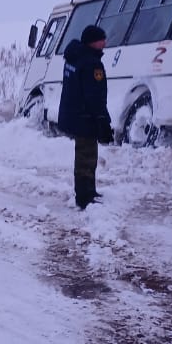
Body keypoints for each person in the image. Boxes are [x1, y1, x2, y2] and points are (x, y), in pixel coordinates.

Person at [58, 24, 113, 210]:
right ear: (93, 42)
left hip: (75, 113)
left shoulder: (74, 57)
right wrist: (101, 118)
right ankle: (84, 196)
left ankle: (89, 190)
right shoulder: (91, 63)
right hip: (85, 116)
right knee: (86, 156)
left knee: (86, 153)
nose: (105, 42)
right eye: (102, 39)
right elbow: (94, 95)